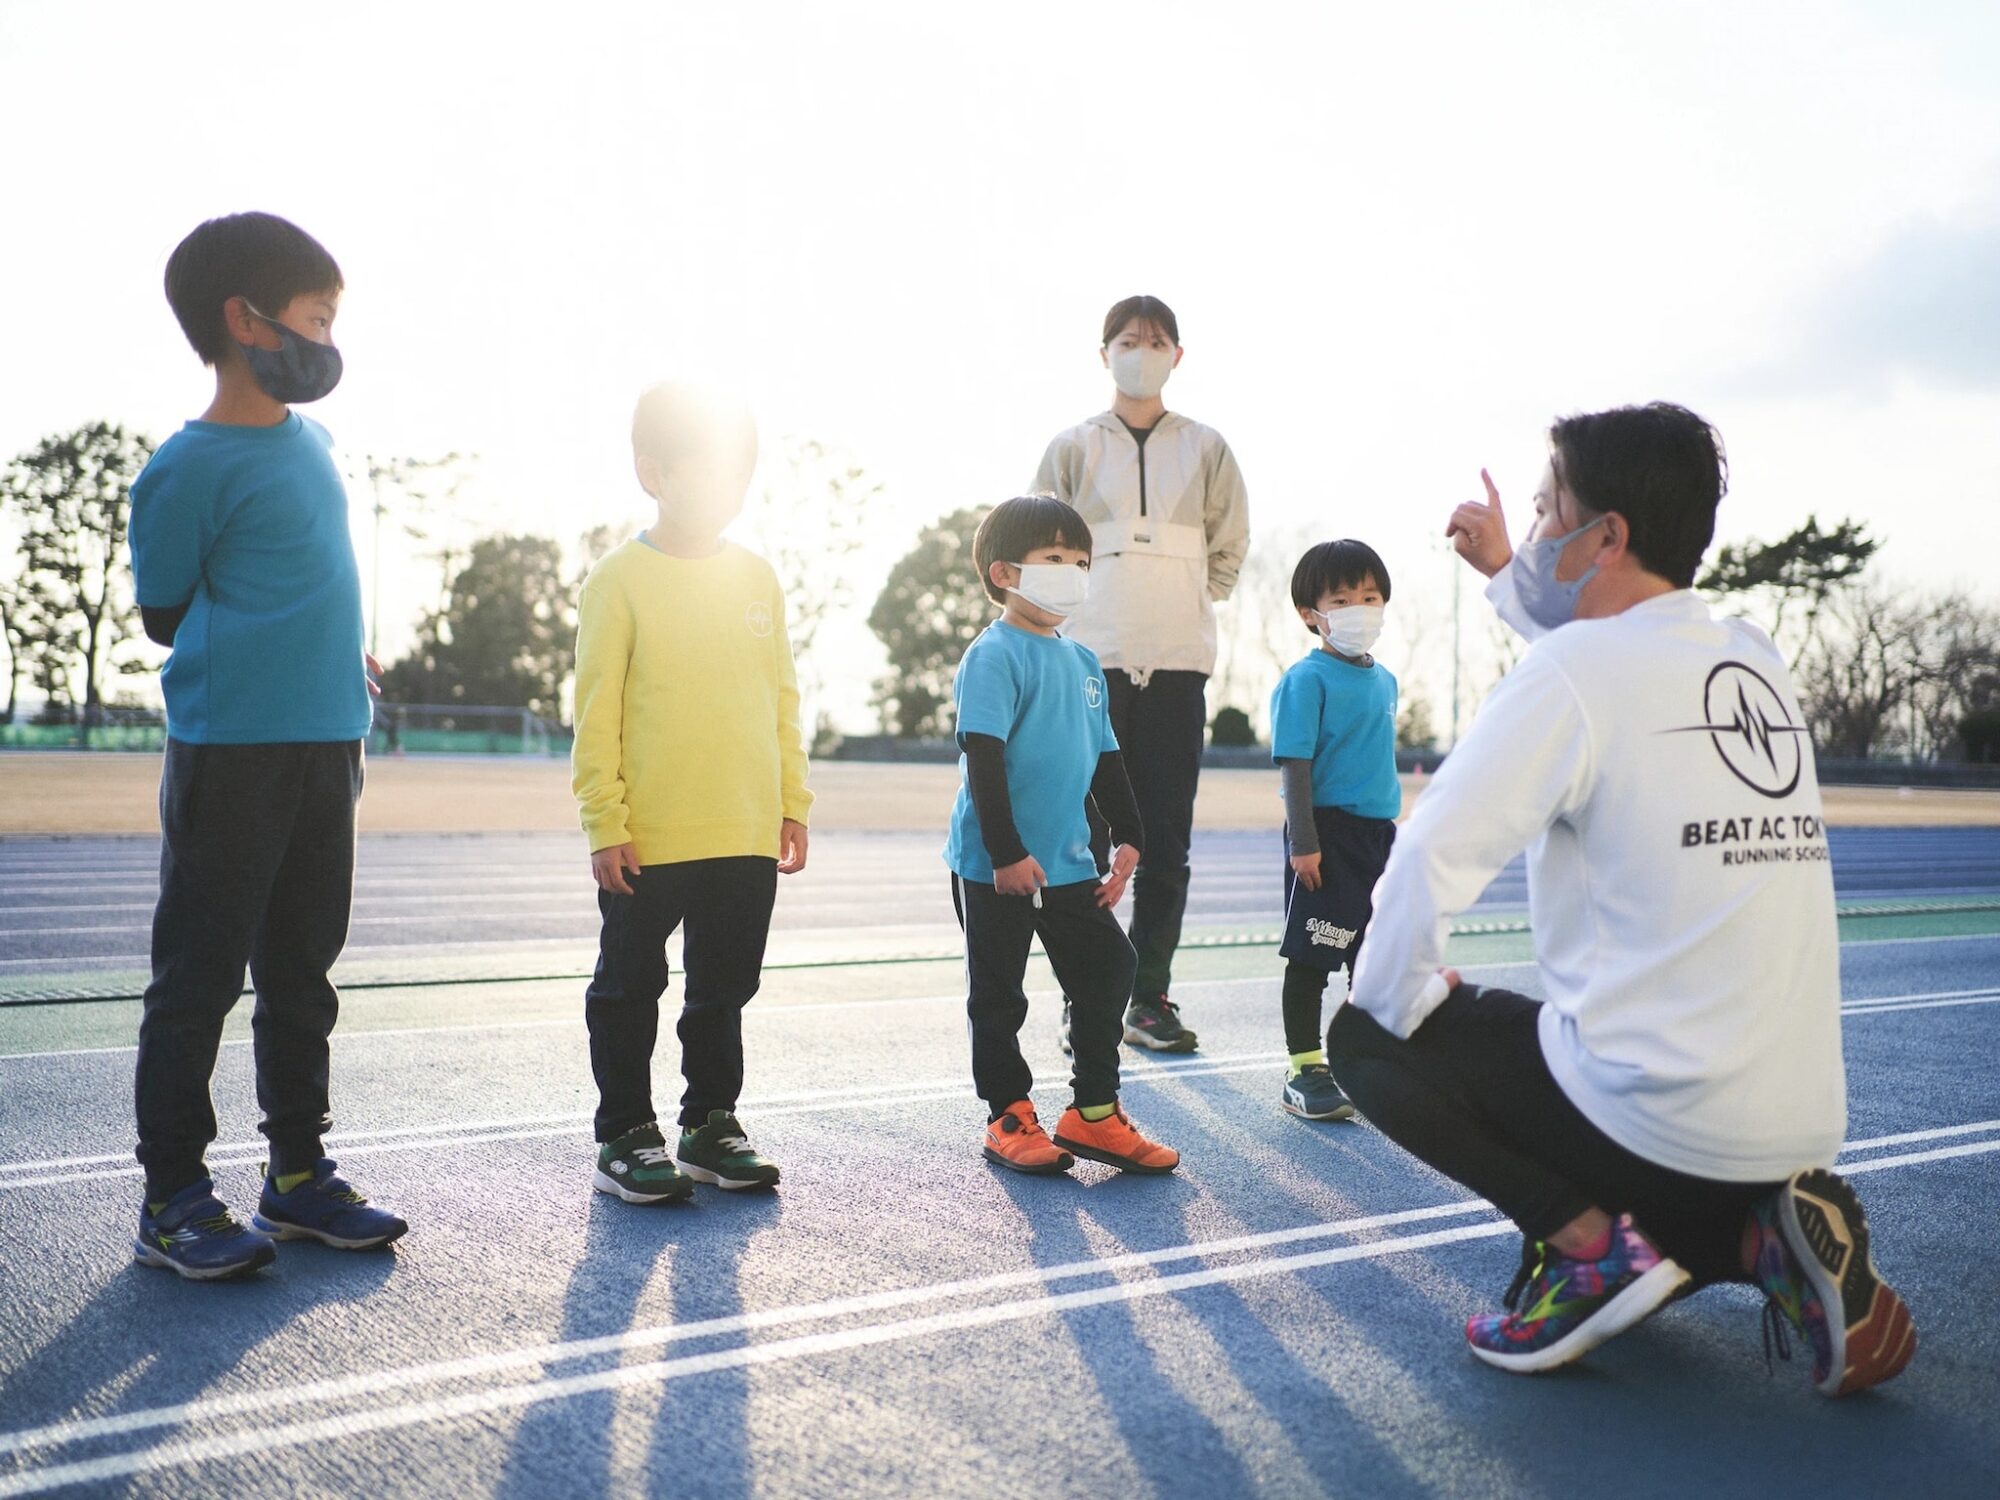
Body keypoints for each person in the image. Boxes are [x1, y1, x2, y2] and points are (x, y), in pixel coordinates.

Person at [1328, 402, 1914, 1396]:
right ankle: (1761, 1237)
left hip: (1655, 1130)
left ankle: (1591, 1248)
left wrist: (1398, 997)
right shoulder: (1751, 659)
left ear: (1605, 536)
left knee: (1366, 1034)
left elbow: (1426, 857)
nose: (1535, 525)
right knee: (1669, 1174)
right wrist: (1511, 578)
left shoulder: (1574, 674)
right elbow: (1616, 653)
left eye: (1549, 507)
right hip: (1796, 1131)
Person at [127, 211, 406, 1280]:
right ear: (245, 321)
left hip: (328, 739)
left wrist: (338, 652)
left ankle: (296, 1178)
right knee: (198, 976)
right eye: (316, 319)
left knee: (302, 970)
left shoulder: (318, 443)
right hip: (231, 751)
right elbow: (164, 607)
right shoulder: (187, 466)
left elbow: (299, 578)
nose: (329, 341)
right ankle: (173, 1198)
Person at [570, 382, 811, 1202]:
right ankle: (625, 1133)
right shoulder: (619, 579)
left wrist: (791, 804)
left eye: (737, 474)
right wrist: (605, 822)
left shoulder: (759, 578)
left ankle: (711, 1121)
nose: (722, 489)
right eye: (704, 469)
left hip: (743, 830)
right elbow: (596, 713)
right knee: (630, 986)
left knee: (722, 991)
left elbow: (780, 698)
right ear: (653, 472)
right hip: (651, 835)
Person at [1034, 295, 1250, 1056]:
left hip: (1180, 665)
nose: (1142, 350)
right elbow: (1040, 547)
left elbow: (1229, 550)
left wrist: (1180, 600)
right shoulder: (1072, 447)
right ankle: (1085, 998)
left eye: (1157, 341)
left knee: (1166, 838)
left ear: (1177, 356)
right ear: (1105, 354)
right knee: (1083, 836)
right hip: (1092, 666)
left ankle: (1149, 997)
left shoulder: (1207, 447)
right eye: (1129, 340)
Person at [945, 495, 1180, 1176]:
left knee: (1110, 967)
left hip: (1071, 862)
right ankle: (1009, 1115)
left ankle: (1094, 1114)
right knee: (999, 995)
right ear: (1004, 573)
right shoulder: (994, 656)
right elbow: (982, 759)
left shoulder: (1081, 662)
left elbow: (1104, 758)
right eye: (1054, 559)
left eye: (1081, 561)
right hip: (998, 866)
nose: (1073, 572)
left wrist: (1130, 834)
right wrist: (1006, 853)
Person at [1269, 539, 1399, 1123]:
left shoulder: (1385, 681)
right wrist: (1304, 844)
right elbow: (1295, 767)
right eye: (1342, 599)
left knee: (1371, 958)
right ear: (1310, 613)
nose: (1359, 608)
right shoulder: (1306, 680)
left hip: (1378, 837)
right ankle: (1304, 1067)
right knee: (1313, 956)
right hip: (1327, 836)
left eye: (1369, 596)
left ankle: (1360, 1058)